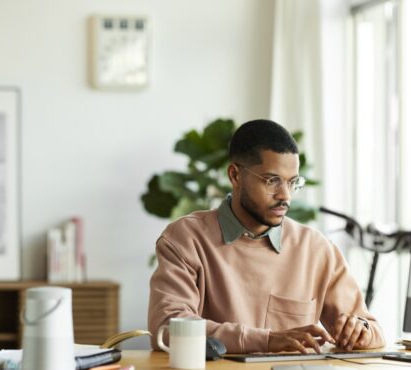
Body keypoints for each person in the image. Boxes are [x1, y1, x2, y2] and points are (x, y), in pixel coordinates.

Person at [148, 119, 385, 354]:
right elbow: (167, 329)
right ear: (235, 175)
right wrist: (267, 340)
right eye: (272, 181)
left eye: (292, 183)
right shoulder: (186, 239)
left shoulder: (316, 249)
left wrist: (360, 330)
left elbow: (373, 330)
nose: (286, 196)